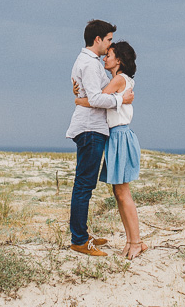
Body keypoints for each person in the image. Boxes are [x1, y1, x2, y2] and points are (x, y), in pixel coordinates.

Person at [65, 20, 134, 257]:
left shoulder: (89, 63)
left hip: (92, 128)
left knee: (84, 184)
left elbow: (92, 92)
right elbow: (96, 98)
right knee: (84, 185)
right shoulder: (90, 64)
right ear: (98, 40)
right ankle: (79, 240)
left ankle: (81, 234)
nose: (109, 45)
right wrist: (120, 101)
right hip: (90, 129)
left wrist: (80, 96)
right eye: (108, 40)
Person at [74, 40, 146, 259]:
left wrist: (78, 100)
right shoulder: (118, 80)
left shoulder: (118, 80)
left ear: (119, 60)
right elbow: (101, 97)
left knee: (123, 193)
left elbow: (96, 100)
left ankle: (136, 242)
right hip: (117, 137)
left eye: (110, 55)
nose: (106, 57)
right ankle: (132, 240)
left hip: (120, 136)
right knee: (119, 192)